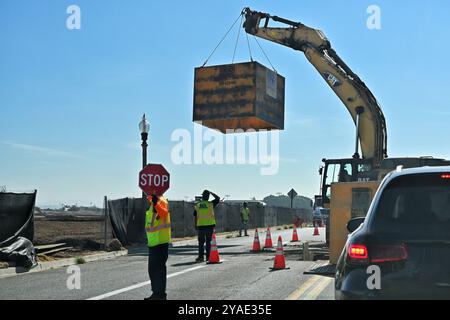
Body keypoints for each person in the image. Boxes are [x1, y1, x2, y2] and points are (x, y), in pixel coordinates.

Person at [144, 194, 171, 300]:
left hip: (160, 242)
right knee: (153, 271)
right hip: (154, 243)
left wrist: (155, 203)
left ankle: (159, 295)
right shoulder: (153, 203)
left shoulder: (161, 201)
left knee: (158, 271)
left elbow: (163, 213)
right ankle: (156, 293)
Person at [193, 190, 220, 262]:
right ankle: (208, 257)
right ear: (208, 197)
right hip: (210, 225)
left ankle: (201, 257)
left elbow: (195, 216)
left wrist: (195, 225)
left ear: (202, 196)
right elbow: (218, 198)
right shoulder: (211, 204)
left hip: (201, 226)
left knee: (201, 242)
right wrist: (211, 193)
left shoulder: (198, 205)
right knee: (208, 242)